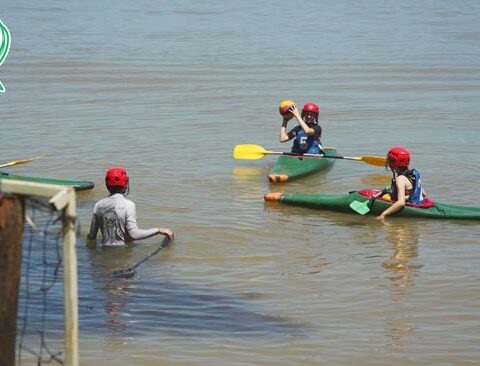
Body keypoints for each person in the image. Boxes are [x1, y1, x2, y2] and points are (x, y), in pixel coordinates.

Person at [86, 167, 174, 248]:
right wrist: (158, 230)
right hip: (122, 253)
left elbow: (91, 236)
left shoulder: (98, 205)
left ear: (107, 184)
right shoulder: (128, 205)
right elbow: (134, 234)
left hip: (104, 253)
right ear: (125, 183)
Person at [377, 147, 427, 220]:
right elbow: (423, 194)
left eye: (389, 160)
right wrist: (409, 196)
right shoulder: (413, 174)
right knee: (388, 192)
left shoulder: (400, 179)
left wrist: (383, 214)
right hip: (419, 203)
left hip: (413, 207)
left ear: (393, 163)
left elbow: (401, 203)